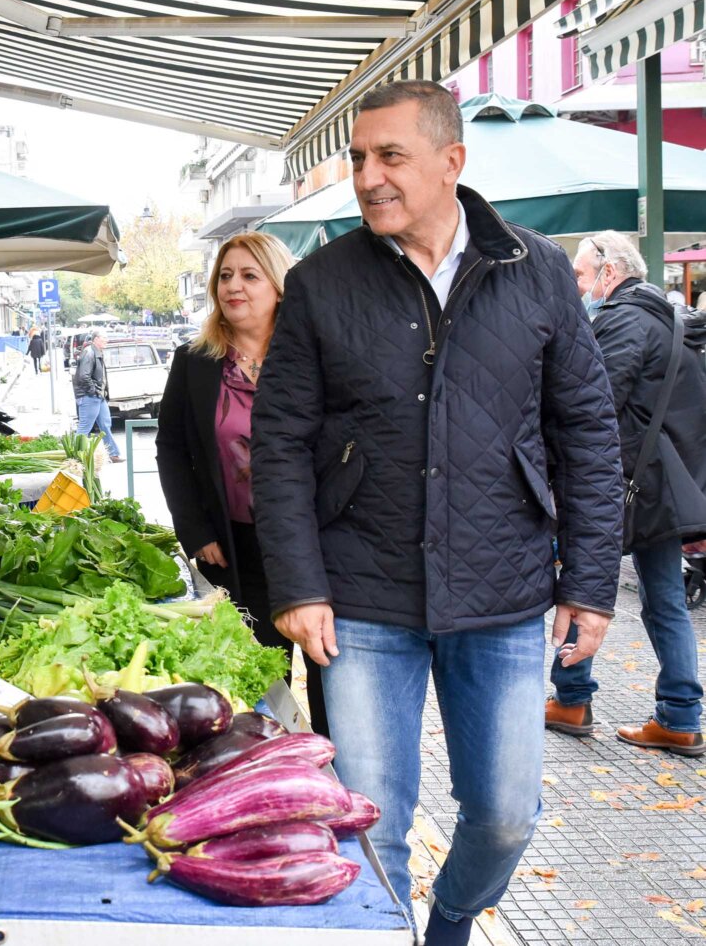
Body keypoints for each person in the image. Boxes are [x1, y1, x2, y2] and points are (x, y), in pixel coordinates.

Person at [251, 80, 623, 946]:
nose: (367, 177)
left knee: (505, 814)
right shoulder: (320, 283)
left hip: (504, 589)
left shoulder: (536, 271)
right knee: (371, 821)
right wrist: (297, 585)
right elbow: (279, 443)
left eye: (390, 156)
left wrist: (591, 583)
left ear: (452, 160)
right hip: (362, 594)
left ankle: (451, 919)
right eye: (358, 158)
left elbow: (587, 431)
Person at [155, 231, 327, 737]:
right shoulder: (195, 361)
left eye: (250, 275)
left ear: (278, 285)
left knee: (330, 672)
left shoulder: (314, 354)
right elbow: (172, 448)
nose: (233, 286)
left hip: (315, 543)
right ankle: (263, 763)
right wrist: (194, 529)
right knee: (258, 682)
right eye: (225, 276)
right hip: (234, 546)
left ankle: (332, 762)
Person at [546, 231, 706, 756]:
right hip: (659, 486)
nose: (577, 285)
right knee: (664, 602)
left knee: (584, 583)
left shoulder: (623, 320)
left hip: (620, 483)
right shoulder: (670, 320)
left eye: (580, 275)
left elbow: (592, 408)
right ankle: (680, 715)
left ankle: (572, 699)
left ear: (609, 273)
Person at [73, 331, 121, 462]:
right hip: (89, 396)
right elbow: (84, 376)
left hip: (98, 396)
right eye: (104, 338)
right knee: (85, 427)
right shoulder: (89, 352)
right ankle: (75, 456)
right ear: (96, 339)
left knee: (105, 425)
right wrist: (93, 391)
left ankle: (113, 453)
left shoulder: (97, 352)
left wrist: (99, 393)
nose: (107, 340)